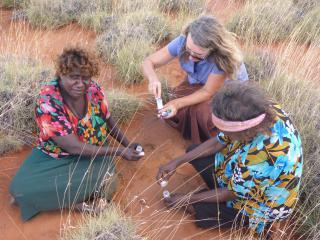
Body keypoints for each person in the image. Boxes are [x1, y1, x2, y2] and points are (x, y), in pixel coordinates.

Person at [10, 47, 143, 221]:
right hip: (55, 154)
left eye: (85, 78)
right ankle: (75, 203)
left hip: (93, 152)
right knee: (18, 189)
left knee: (107, 178)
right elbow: (73, 147)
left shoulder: (94, 90)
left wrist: (127, 144)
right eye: (74, 77)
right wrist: (118, 151)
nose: (81, 84)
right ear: (61, 74)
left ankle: (63, 202)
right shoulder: (48, 101)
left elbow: (108, 121)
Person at [156, 82, 303, 238]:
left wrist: (186, 199)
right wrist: (177, 162)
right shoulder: (258, 111)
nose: (219, 131)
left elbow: (231, 193)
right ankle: (210, 196)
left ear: (243, 132)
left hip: (260, 203)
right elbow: (217, 142)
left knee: (199, 210)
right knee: (194, 153)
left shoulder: (266, 155)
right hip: (242, 171)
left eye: (223, 129)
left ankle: (255, 223)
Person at [142, 15, 248, 144]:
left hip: (226, 93)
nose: (191, 58)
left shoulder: (222, 59)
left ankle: (215, 142)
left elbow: (208, 92)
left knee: (199, 113)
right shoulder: (182, 41)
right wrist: (153, 79)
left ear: (213, 50)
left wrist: (177, 104)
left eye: (198, 56)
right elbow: (148, 61)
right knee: (177, 100)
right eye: (188, 51)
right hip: (198, 83)